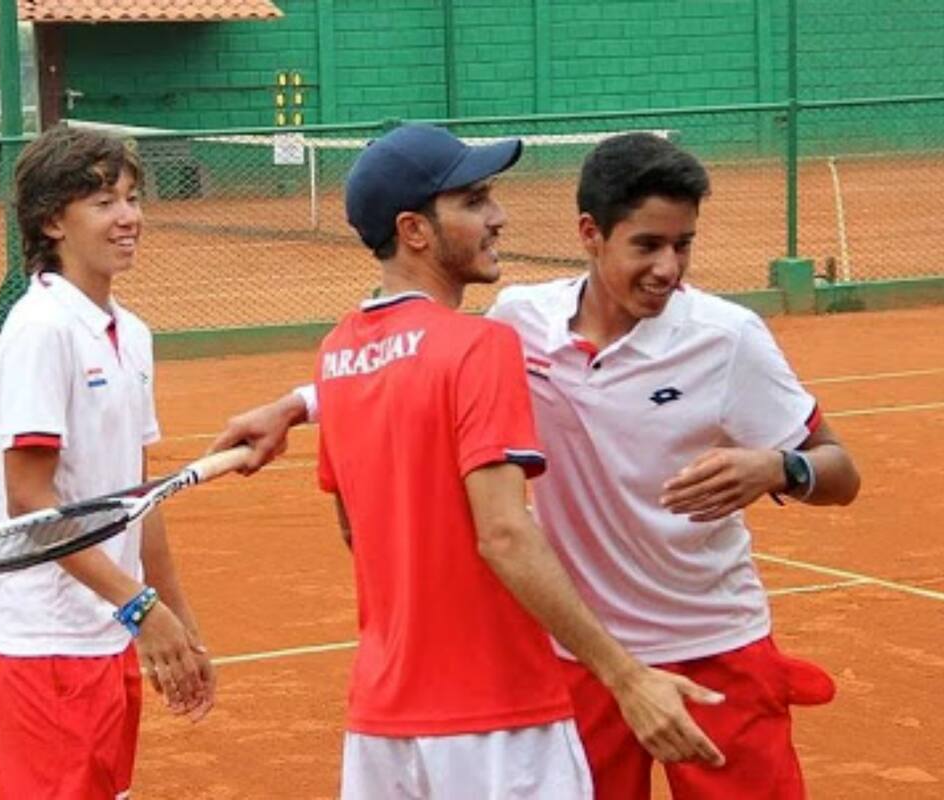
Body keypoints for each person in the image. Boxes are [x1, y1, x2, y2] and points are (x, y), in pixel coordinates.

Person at [215, 131, 860, 799]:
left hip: (715, 643)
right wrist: (298, 404)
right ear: (590, 234)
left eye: (683, 245)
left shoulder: (727, 338)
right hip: (581, 653)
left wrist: (781, 469)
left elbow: (839, 469)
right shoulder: (520, 321)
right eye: (647, 245)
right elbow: (426, 364)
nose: (668, 268)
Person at [288, 124, 725, 799]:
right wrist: (625, 676)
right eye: (473, 201)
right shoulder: (481, 345)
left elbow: (356, 528)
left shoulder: (337, 353)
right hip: (497, 716)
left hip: (381, 722)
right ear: (415, 230)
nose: (498, 216)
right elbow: (504, 534)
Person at [0, 126, 215, 800]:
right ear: (53, 221)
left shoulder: (131, 334)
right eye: (104, 202)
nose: (128, 217)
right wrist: (140, 607)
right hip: (42, 641)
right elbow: (30, 500)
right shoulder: (40, 329)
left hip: (104, 630)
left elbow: (138, 498)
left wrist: (176, 617)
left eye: (132, 198)